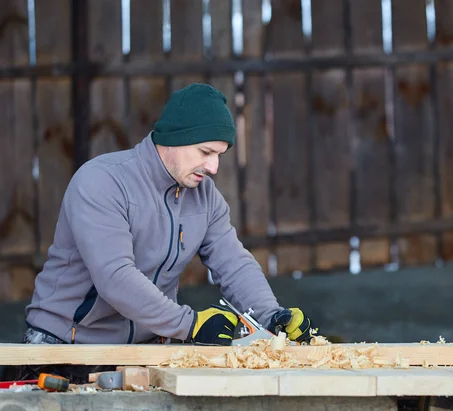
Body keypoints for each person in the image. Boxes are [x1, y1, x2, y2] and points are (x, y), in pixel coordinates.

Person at [16, 83, 316, 382]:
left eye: (220, 155)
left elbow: (234, 263)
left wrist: (270, 315)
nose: (213, 167)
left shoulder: (205, 197)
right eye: (206, 151)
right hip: (65, 352)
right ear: (175, 139)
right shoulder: (102, 182)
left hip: (146, 355)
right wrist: (190, 325)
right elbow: (115, 276)